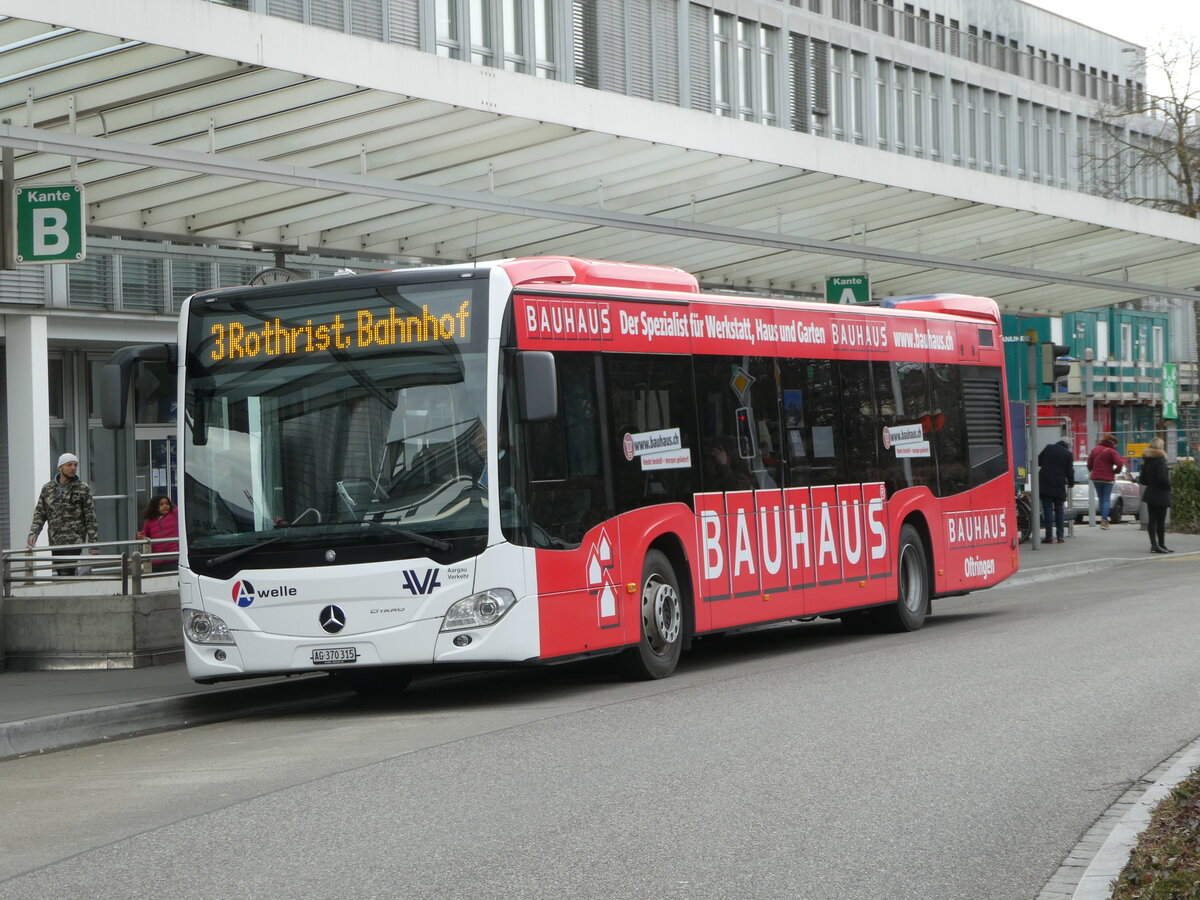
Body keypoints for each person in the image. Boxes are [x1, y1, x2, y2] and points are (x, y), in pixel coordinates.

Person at [27, 452, 100, 575]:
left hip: (74, 541)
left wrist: (94, 545)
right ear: (60, 467)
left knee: (67, 572)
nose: (73, 468)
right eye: (69, 465)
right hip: (55, 540)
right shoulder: (48, 489)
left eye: (75, 465)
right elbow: (40, 513)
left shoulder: (83, 488)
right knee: (61, 572)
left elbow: (90, 518)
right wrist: (33, 533)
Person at [1138, 438, 1172, 553]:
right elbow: (1163, 478)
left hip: (1150, 493)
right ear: (1160, 447)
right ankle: (1162, 544)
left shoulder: (1147, 461)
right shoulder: (1161, 461)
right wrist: (1168, 487)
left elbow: (1142, 480)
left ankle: (1154, 545)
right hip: (1161, 494)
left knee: (1152, 520)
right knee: (1161, 521)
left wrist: (1152, 483)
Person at [1037, 438, 1074, 544]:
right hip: (1059, 484)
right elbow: (1070, 471)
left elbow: (1039, 461)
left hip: (1045, 482)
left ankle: (1049, 537)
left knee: (1047, 510)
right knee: (1059, 510)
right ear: (1068, 446)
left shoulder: (1049, 448)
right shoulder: (1068, 454)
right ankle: (1060, 537)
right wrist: (1071, 483)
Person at [1086, 432, 1125, 529]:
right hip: (1107, 478)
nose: (1115, 446)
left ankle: (1104, 520)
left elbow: (1089, 463)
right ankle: (1104, 520)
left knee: (1101, 499)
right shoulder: (1112, 451)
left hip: (1096, 478)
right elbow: (1119, 463)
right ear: (1113, 442)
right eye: (1115, 445)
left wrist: (1092, 470)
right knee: (1106, 499)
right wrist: (1116, 471)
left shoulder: (1095, 449)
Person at [137, 495, 180, 571]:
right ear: (155, 507)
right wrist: (140, 537)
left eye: (167, 503)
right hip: (157, 560)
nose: (165, 506)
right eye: (161, 504)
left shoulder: (174, 514)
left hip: (174, 558)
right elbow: (145, 537)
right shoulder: (149, 522)